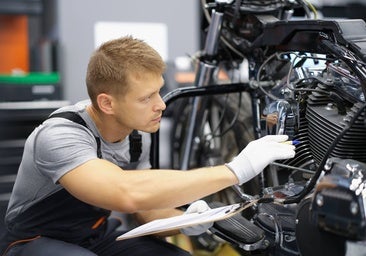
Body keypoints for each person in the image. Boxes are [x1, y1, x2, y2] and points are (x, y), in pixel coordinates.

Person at [0, 36, 295, 256]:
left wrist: (187, 221)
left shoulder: (138, 134)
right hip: (32, 241)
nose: (162, 105)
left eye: (159, 92)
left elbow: (145, 211)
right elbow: (124, 192)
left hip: (94, 235)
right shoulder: (60, 135)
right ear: (107, 103)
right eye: (146, 98)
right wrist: (236, 170)